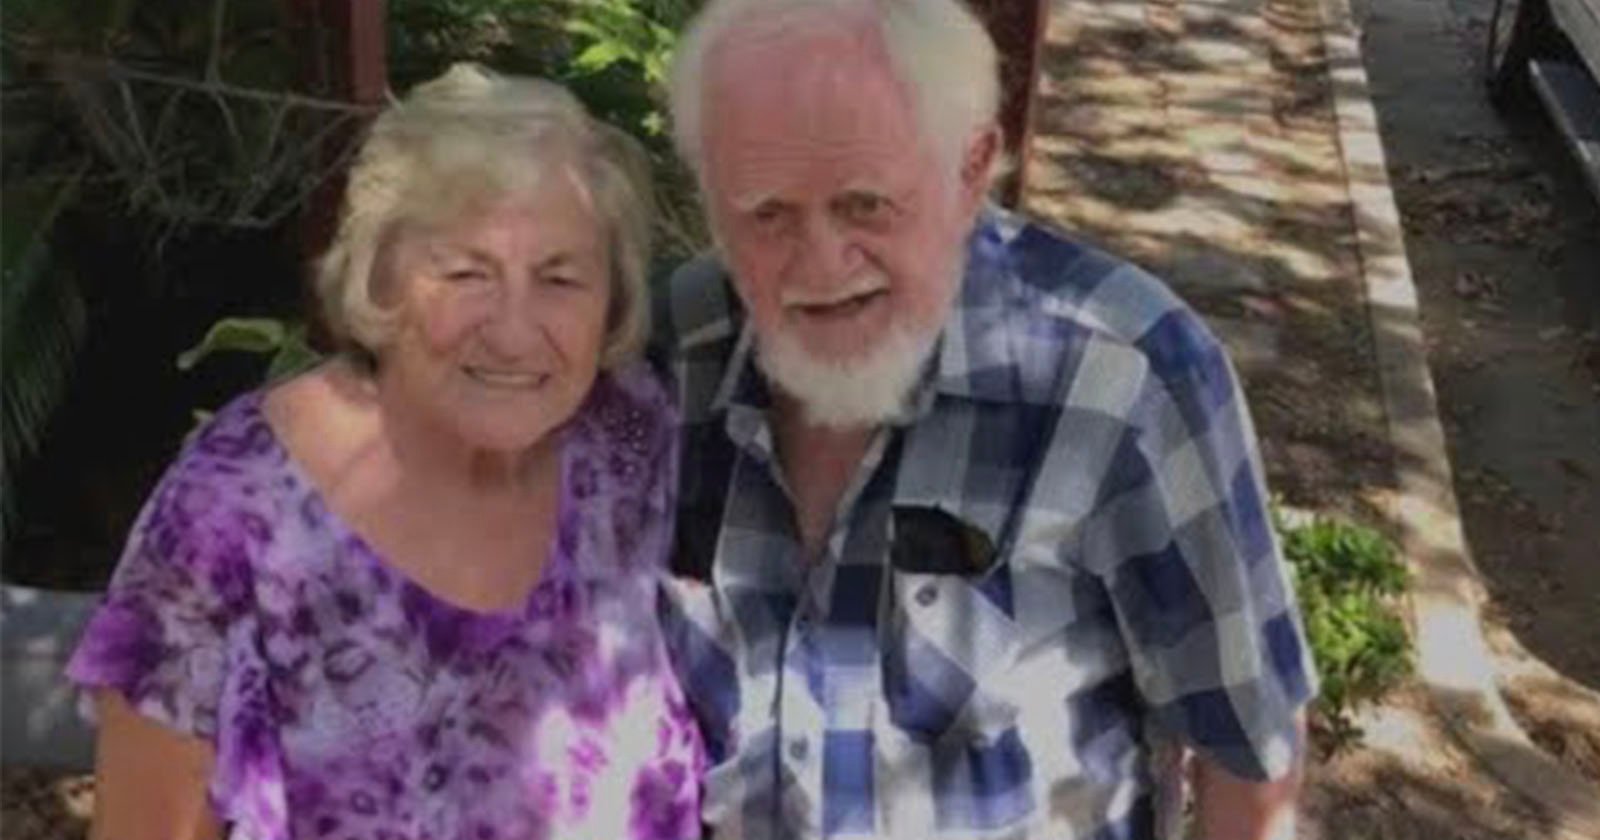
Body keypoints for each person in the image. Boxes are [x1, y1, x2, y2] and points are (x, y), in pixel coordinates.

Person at [651, 1, 1318, 839]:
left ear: (971, 170)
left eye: (865, 206)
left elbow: (1249, 752)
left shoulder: (1126, 375)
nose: (818, 265)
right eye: (767, 214)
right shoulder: (679, 343)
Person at [67, 64, 702, 840]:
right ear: (379, 278)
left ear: (613, 301)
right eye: (466, 272)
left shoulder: (626, 445)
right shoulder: (232, 514)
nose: (512, 329)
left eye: (560, 278)